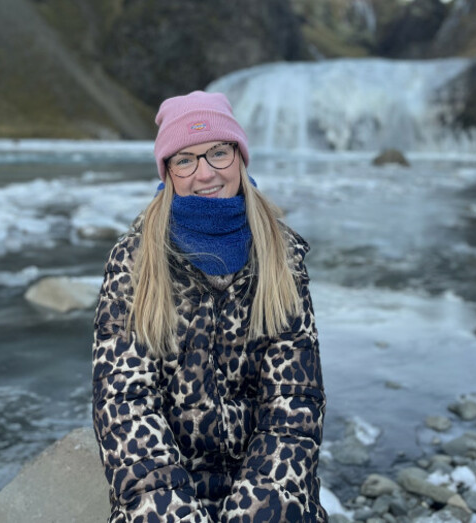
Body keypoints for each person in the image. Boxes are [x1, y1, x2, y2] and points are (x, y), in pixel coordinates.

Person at [92, 91, 327, 522]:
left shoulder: (282, 256)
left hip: (267, 494)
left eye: (218, 152)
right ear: (168, 173)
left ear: (239, 156)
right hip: (167, 498)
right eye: (185, 159)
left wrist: (257, 509)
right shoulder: (134, 261)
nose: (205, 174)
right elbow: (124, 405)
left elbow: (294, 405)